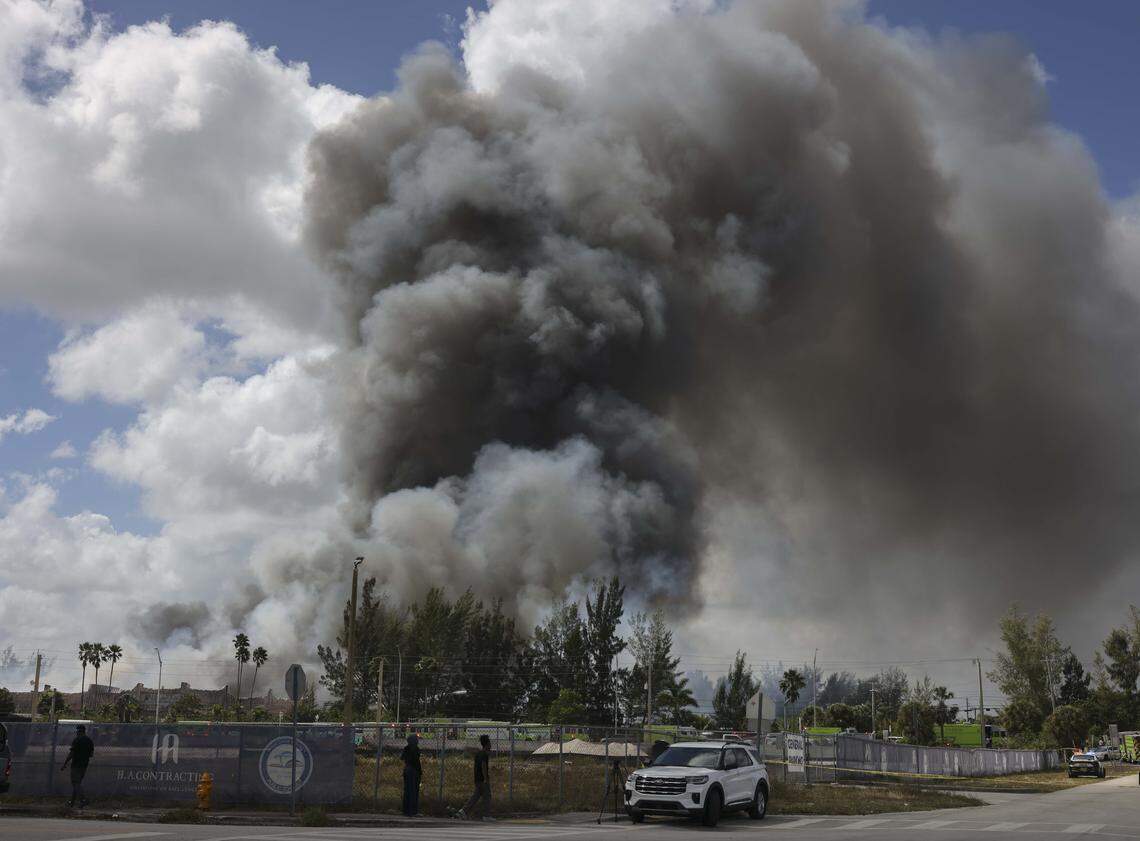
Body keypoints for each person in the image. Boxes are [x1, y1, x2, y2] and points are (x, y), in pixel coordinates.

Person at [456, 734, 492, 820]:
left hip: (477, 779)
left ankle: (463, 811)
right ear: (486, 744)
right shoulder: (484, 755)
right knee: (487, 796)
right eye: (490, 743)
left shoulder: (478, 754)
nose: (490, 745)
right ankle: (486, 815)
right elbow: (483, 766)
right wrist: (486, 779)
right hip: (482, 780)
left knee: (475, 797)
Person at [60, 724, 95, 808]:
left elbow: (72, 753)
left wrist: (65, 763)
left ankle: (83, 800)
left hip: (76, 765)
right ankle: (72, 802)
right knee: (77, 784)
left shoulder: (77, 740)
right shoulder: (89, 741)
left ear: (78, 731)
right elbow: (91, 754)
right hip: (84, 765)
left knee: (75, 783)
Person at [401, 733, 421, 817]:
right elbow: (416, 761)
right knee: (413, 791)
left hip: (407, 770)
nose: (418, 741)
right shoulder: (415, 749)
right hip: (413, 771)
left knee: (407, 791)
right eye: (416, 739)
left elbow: (402, 758)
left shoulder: (406, 748)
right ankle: (412, 811)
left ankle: (406, 810)